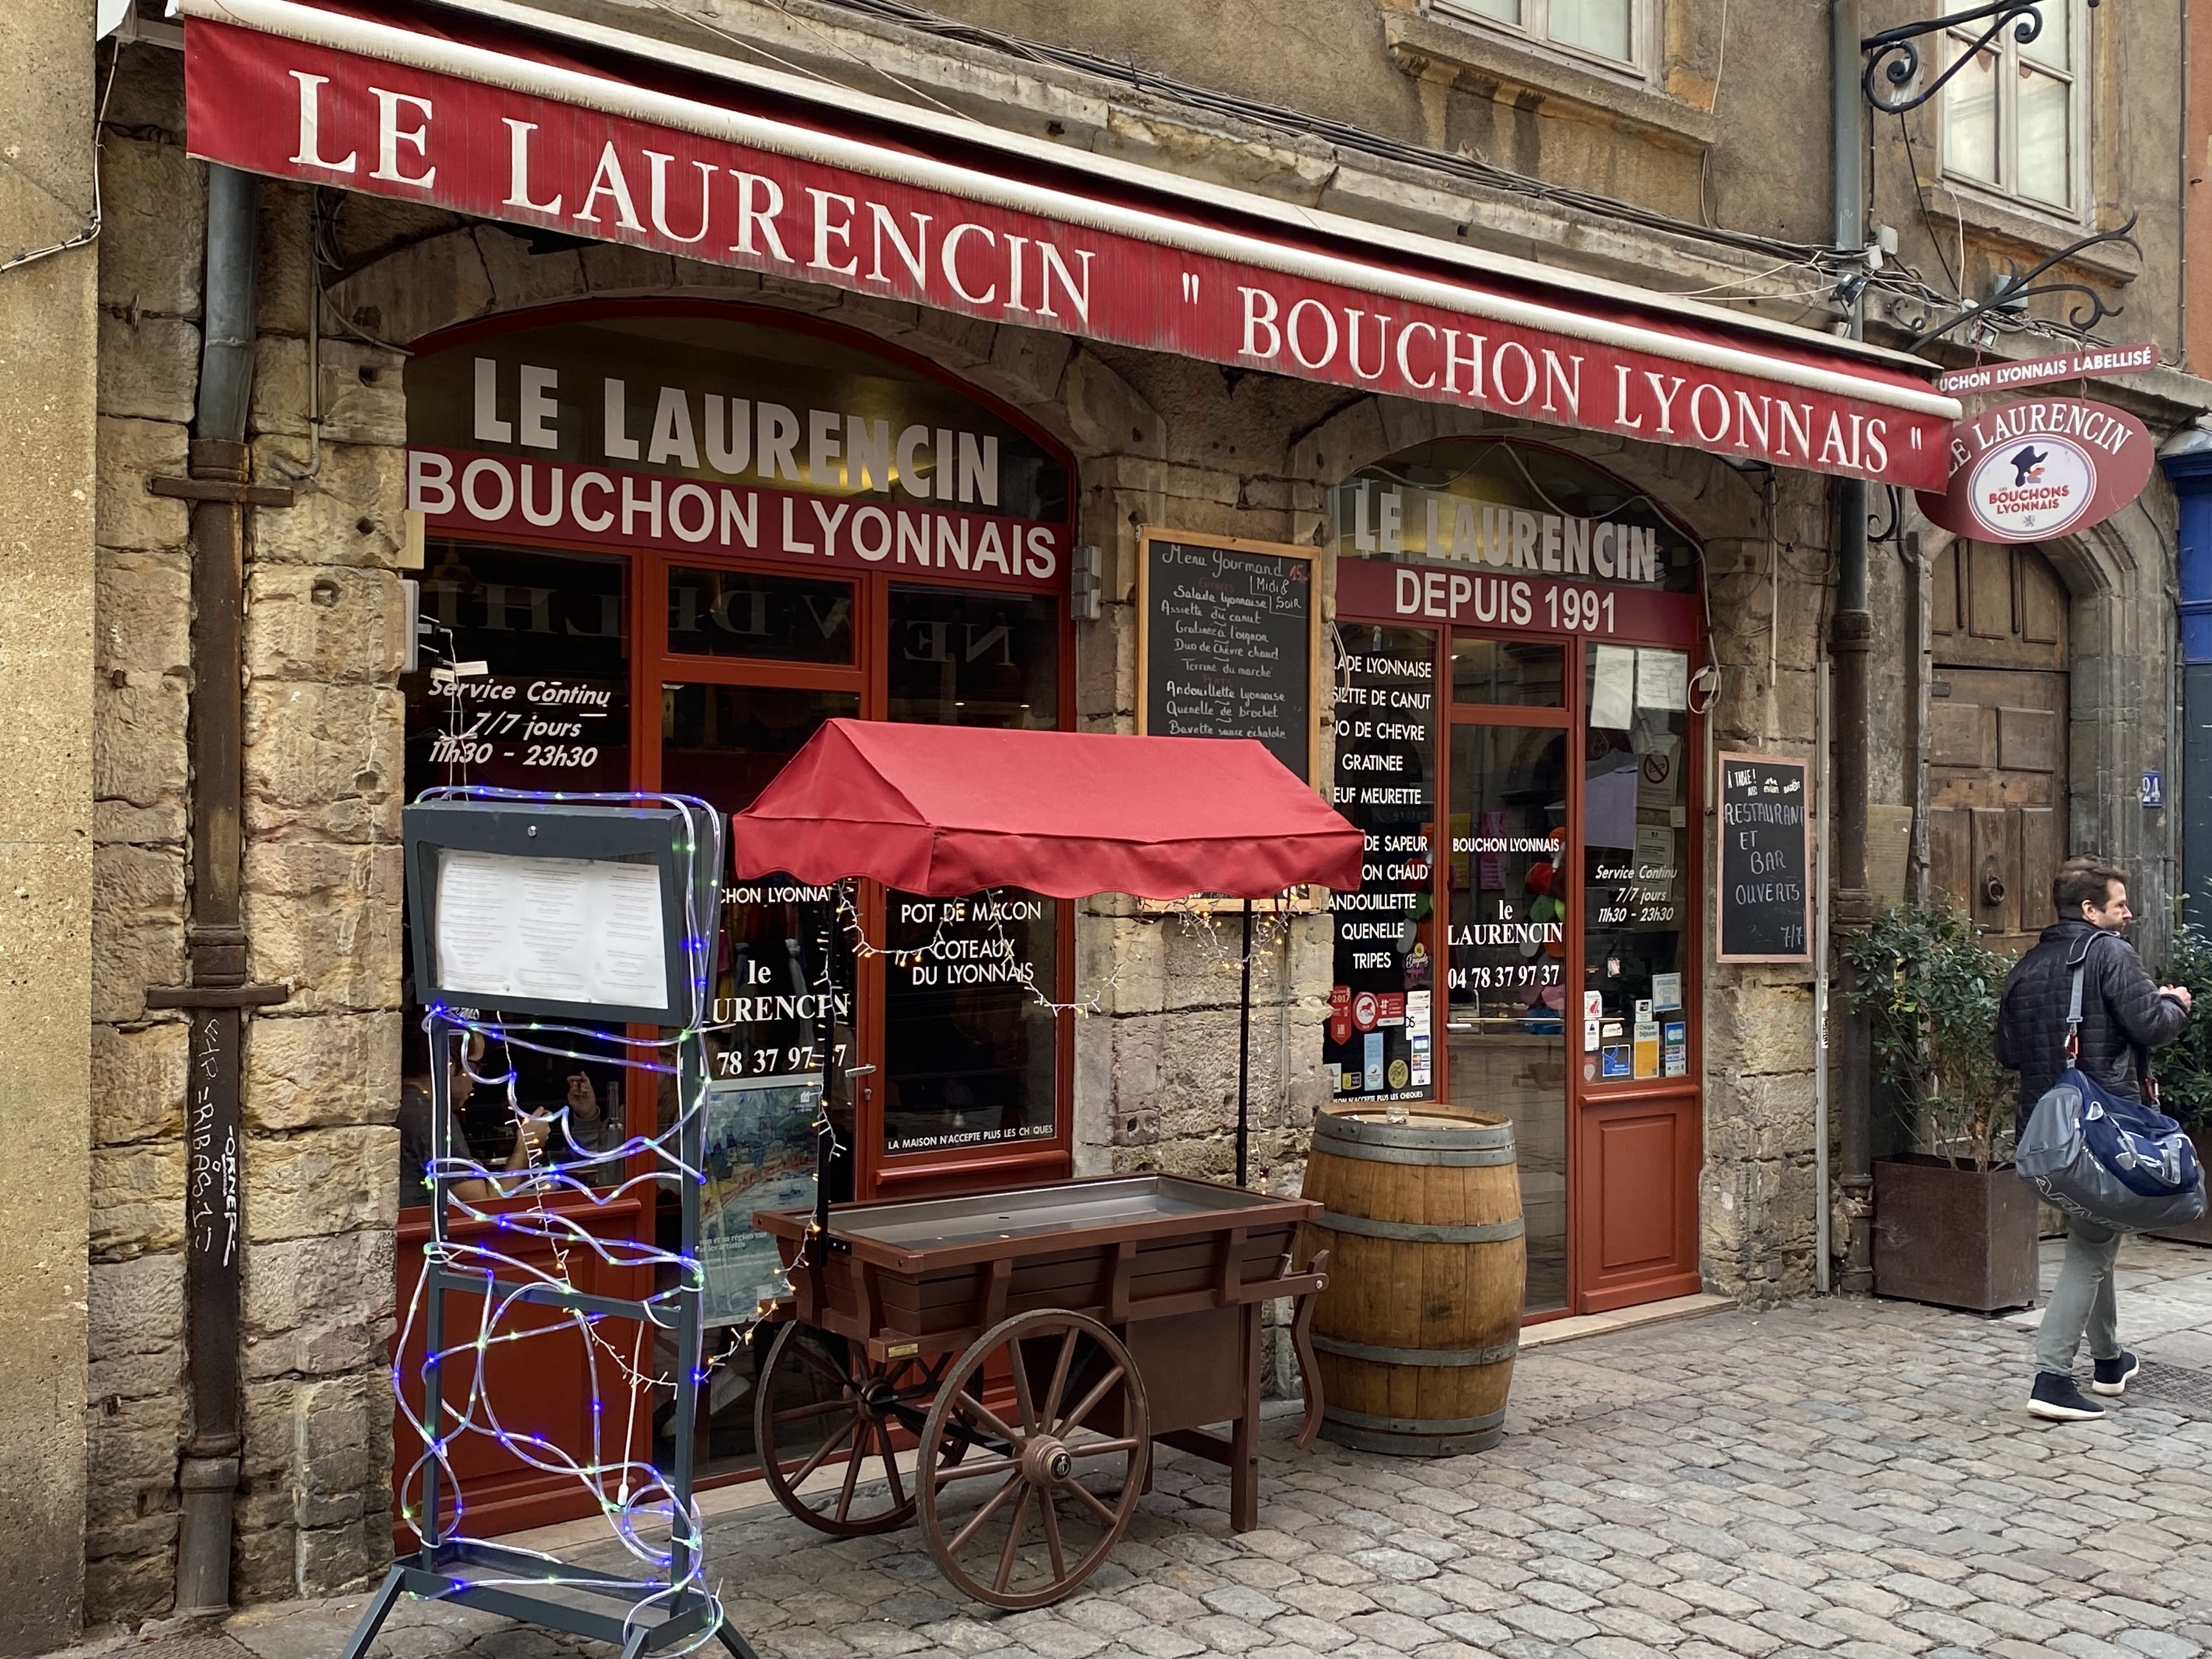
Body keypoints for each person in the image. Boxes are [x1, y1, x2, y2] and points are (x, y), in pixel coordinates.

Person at [1995, 856, 2193, 1421]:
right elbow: (2152, 1026)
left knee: (2094, 1231)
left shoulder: (2028, 965)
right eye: (2120, 904)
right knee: (2092, 1247)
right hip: (2103, 1134)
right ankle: (2052, 1378)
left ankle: (2109, 1361)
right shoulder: (2109, 953)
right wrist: (2175, 1004)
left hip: (2047, 1135)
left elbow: (2007, 1053)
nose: (2128, 914)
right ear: (2090, 910)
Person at [398, 1026, 553, 1206]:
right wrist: (527, 1145)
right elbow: (484, 1206)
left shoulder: (403, 1102)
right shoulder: (433, 1118)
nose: (476, 1079)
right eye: (474, 1066)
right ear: (449, 1064)